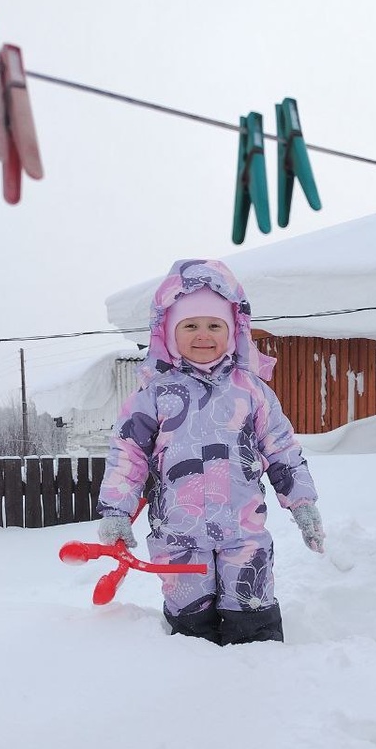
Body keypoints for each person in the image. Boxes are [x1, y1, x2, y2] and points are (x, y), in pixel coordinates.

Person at [97, 258, 324, 645]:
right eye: (191, 325)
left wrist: (302, 503)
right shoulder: (154, 394)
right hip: (178, 535)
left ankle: (262, 680)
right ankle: (196, 687)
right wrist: (116, 511)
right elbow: (128, 454)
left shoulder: (251, 391)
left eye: (214, 325)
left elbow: (282, 449)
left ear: (233, 330)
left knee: (253, 619)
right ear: (169, 332)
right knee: (190, 630)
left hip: (243, 531)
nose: (203, 335)